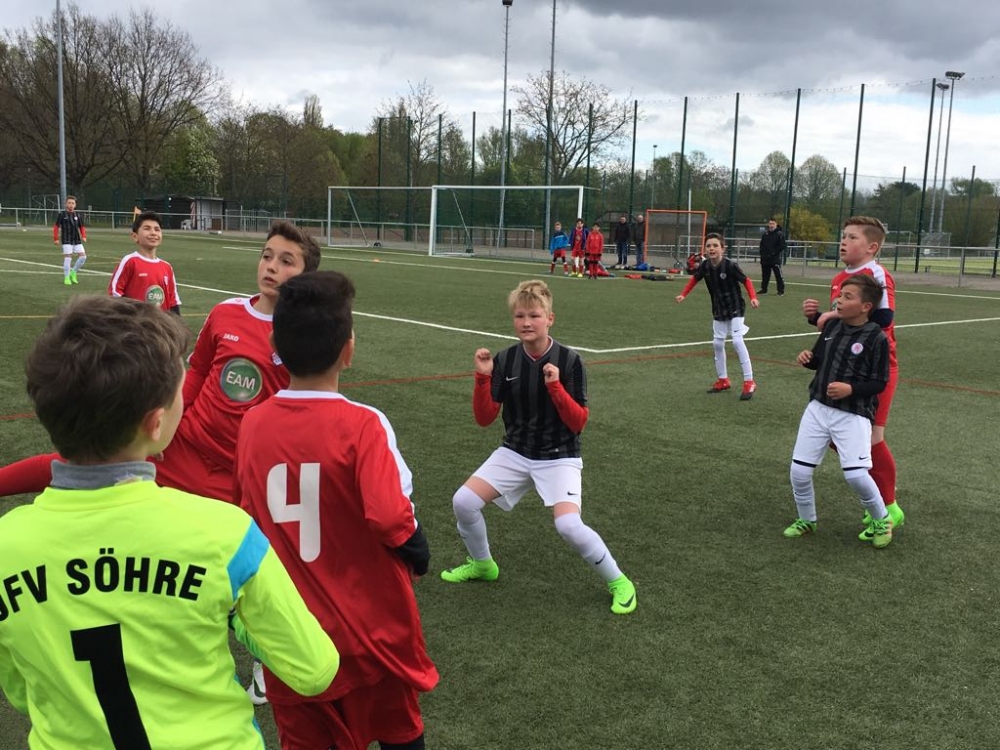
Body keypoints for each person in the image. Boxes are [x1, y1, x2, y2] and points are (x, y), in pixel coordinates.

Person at [0, 295, 339, 749]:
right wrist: (236, 620)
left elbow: (21, 691)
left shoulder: (6, 546)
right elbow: (314, 670)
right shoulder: (226, 535)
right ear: (156, 423)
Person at [235, 271, 438, 750]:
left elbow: (247, 515)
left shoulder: (252, 424)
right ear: (349, 349)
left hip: (293, 632)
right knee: (398, 731)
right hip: (370, 631)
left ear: (274, 345)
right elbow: (390, 515)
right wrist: (418, 550)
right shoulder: (365, 424)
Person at [0, 220, 322, 505]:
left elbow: (298, 413)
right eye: (267, 256)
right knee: (85, 465)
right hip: (182, 447)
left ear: (306, 277)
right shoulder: (226, 313)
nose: (271, 266)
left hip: (239, 469)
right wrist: (171, 424)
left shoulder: (306, 336)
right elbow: (198, 372)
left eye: (286, 261)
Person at [440, 279, 637, 615]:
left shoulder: (570, 361)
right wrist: (482, 377)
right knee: (464, 502)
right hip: (515, 451)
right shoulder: (505, 360)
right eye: (520, 316)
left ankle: (619, 581)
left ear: (550, 319)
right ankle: (483, 565)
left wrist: (556, 387)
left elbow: (578, 422)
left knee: (568, 525)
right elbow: (485, 418)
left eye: (534, 315)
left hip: (559, 456)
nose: (526, 322)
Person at [802, 216, 904, 538]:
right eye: (843, 235)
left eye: (851, 237)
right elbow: (841, 324)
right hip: (841, 370)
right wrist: (816, 318)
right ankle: (878, 499)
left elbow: (884, 318)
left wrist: (830, 313)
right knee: (837, 436)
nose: (843, 241)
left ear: (871, 247)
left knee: (872, 438)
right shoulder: (838, 277)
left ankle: (889, 507)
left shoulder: (876, 274)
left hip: (876, 369)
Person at [783, 274, 893, 548]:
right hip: (818, 408)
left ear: (866, 306)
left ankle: (882, 520)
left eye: (847, 297)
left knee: (856, 475)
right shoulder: (831, 326)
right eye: (840, 295)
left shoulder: (875, 337)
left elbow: (879, 382)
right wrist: (808, 359)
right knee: (799, 471)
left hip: (852, 414)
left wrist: (850, 389)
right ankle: (806, 519)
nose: (839, 301)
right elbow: (819, 360)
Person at [675, 233, 760, 400]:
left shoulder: (730, 266)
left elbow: (746, 281)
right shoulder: (705, 266)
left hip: (735, 306)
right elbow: (694, 279)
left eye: (715, 245)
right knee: (717, 343)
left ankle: (749, 381)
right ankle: (723, 380)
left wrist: (753, 297)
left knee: (737, 341)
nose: (711, 249)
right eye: (708, 246)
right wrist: (683, 294)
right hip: (718, 308)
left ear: (723, 248)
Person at [109, 210, 182, 314]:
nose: (153, 233)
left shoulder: (166, 267)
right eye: (147, 228)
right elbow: (114, 293)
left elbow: (173, 300)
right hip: (136, 322)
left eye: (157, 229)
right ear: (135, 236)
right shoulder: (130, 261)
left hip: (160, 322)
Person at [53, 195, 87, 286]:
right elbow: (56, 227)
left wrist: (84, 236)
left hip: (76, 240)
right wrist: (56, 238)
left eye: (72, 203)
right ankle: (67, 277)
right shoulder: (62, 215)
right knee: (68, 258)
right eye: (69, 203)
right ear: (66, 204)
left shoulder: (78, 215)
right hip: (66, 240)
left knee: (83, 257)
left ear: (75, 205)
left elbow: (82, 227)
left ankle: (73, 272)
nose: (71, 205)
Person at [757, 219, 786, 295]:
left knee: (778, 275)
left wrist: (774, 253)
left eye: (773, 224)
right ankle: (764, 289)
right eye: (770, 224)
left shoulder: (779, 234)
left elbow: (782, 245)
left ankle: (780, 291)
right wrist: (762, 254)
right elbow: (762, 245)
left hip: (774, 259)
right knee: (765, 275)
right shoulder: (765, 234)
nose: (771, 225)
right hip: (765, 259)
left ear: (776, 224)